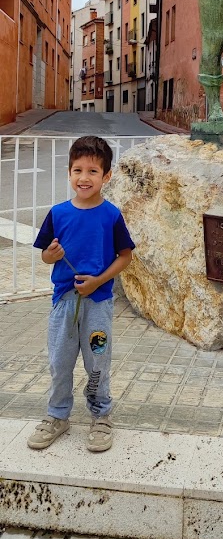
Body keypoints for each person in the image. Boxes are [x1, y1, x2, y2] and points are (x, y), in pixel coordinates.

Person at [27, 135, 135, 453]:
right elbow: (45, 256)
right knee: (60, 362)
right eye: (77, 170)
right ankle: (57, 416)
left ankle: (101, 417)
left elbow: (125, 256)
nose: (84, 178)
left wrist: (98, 281)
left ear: (106, 176)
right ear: (69, 173)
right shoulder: (58, 214)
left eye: (92, 171)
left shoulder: (111, 215)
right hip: (63, 303)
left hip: (98, 305)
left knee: (97, 362)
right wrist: (51, 254)